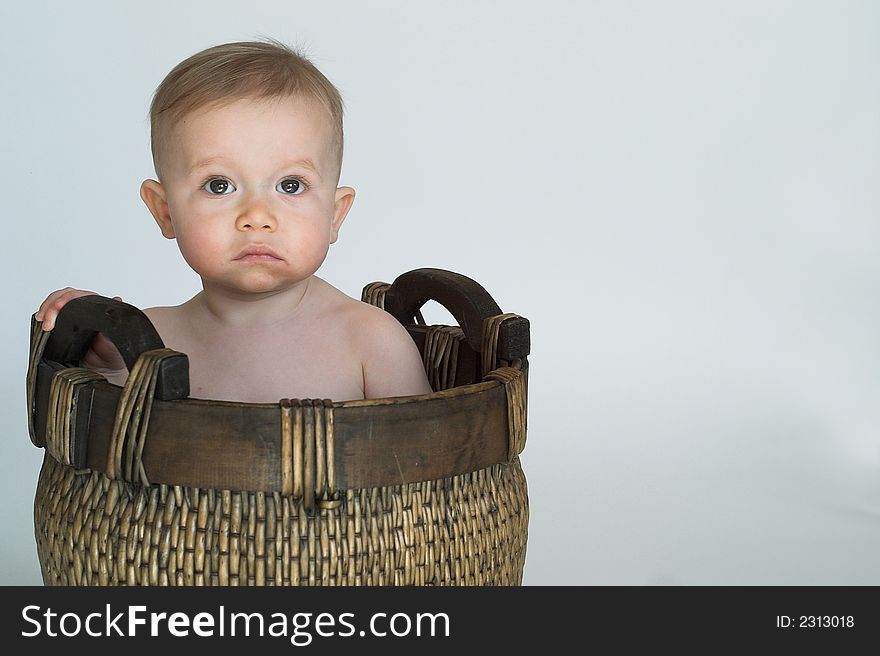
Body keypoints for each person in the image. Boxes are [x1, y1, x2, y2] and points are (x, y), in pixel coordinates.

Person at [34, 39, 433, 403]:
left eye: (291, 185)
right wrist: (104, 363)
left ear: (335, 214)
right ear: (165, 210)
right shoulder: (149, 340)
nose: (257, 217)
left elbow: (429, 471)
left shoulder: (371, 342)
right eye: (219, 185)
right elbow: (112, 451)